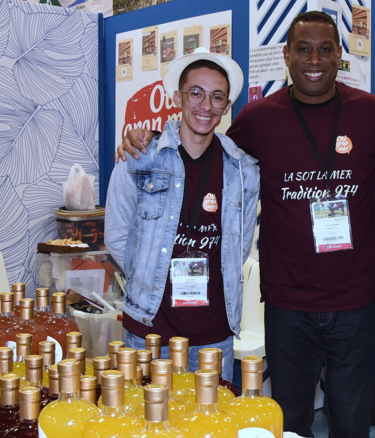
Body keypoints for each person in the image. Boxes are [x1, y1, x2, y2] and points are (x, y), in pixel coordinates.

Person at [116, 11, 375, 438]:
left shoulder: (371, 113)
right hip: (287, 304)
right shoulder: (258, 119)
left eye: (324, 49)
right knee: (290, 427)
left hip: (354, 304)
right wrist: (149, 138)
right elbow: (204, 145)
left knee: (351, 428)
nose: (314, 59)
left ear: (339, 56)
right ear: (286, 55)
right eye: (303, 49)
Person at [105, 47, 259, 382]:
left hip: (213, 336)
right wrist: (147, 276)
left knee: (211, 417)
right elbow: (116, 236)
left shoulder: (242, 170)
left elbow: (240, 246)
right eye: (196, 93)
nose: (206, 106)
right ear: (178, 97)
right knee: (145, 416)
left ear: (227, 107)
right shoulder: (138, 158)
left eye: (217, 97)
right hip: (149, 330)